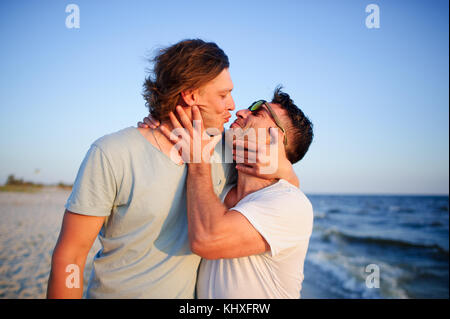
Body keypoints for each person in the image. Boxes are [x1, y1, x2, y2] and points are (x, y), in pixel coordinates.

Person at [46, 39, 298, 299]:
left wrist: (285, 167)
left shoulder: (229, 154)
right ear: (190, 95)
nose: (233, 105)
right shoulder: (113, 153)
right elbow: (70, 257)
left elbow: (284, 194)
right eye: (223, 95)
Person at [158, 87, 314, 298]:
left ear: (275, 139)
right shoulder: (222, 186)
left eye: (258, 112)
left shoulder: (291, 203)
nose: (241, 111)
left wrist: (198, 161)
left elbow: (207, 240)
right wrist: (159, 125)